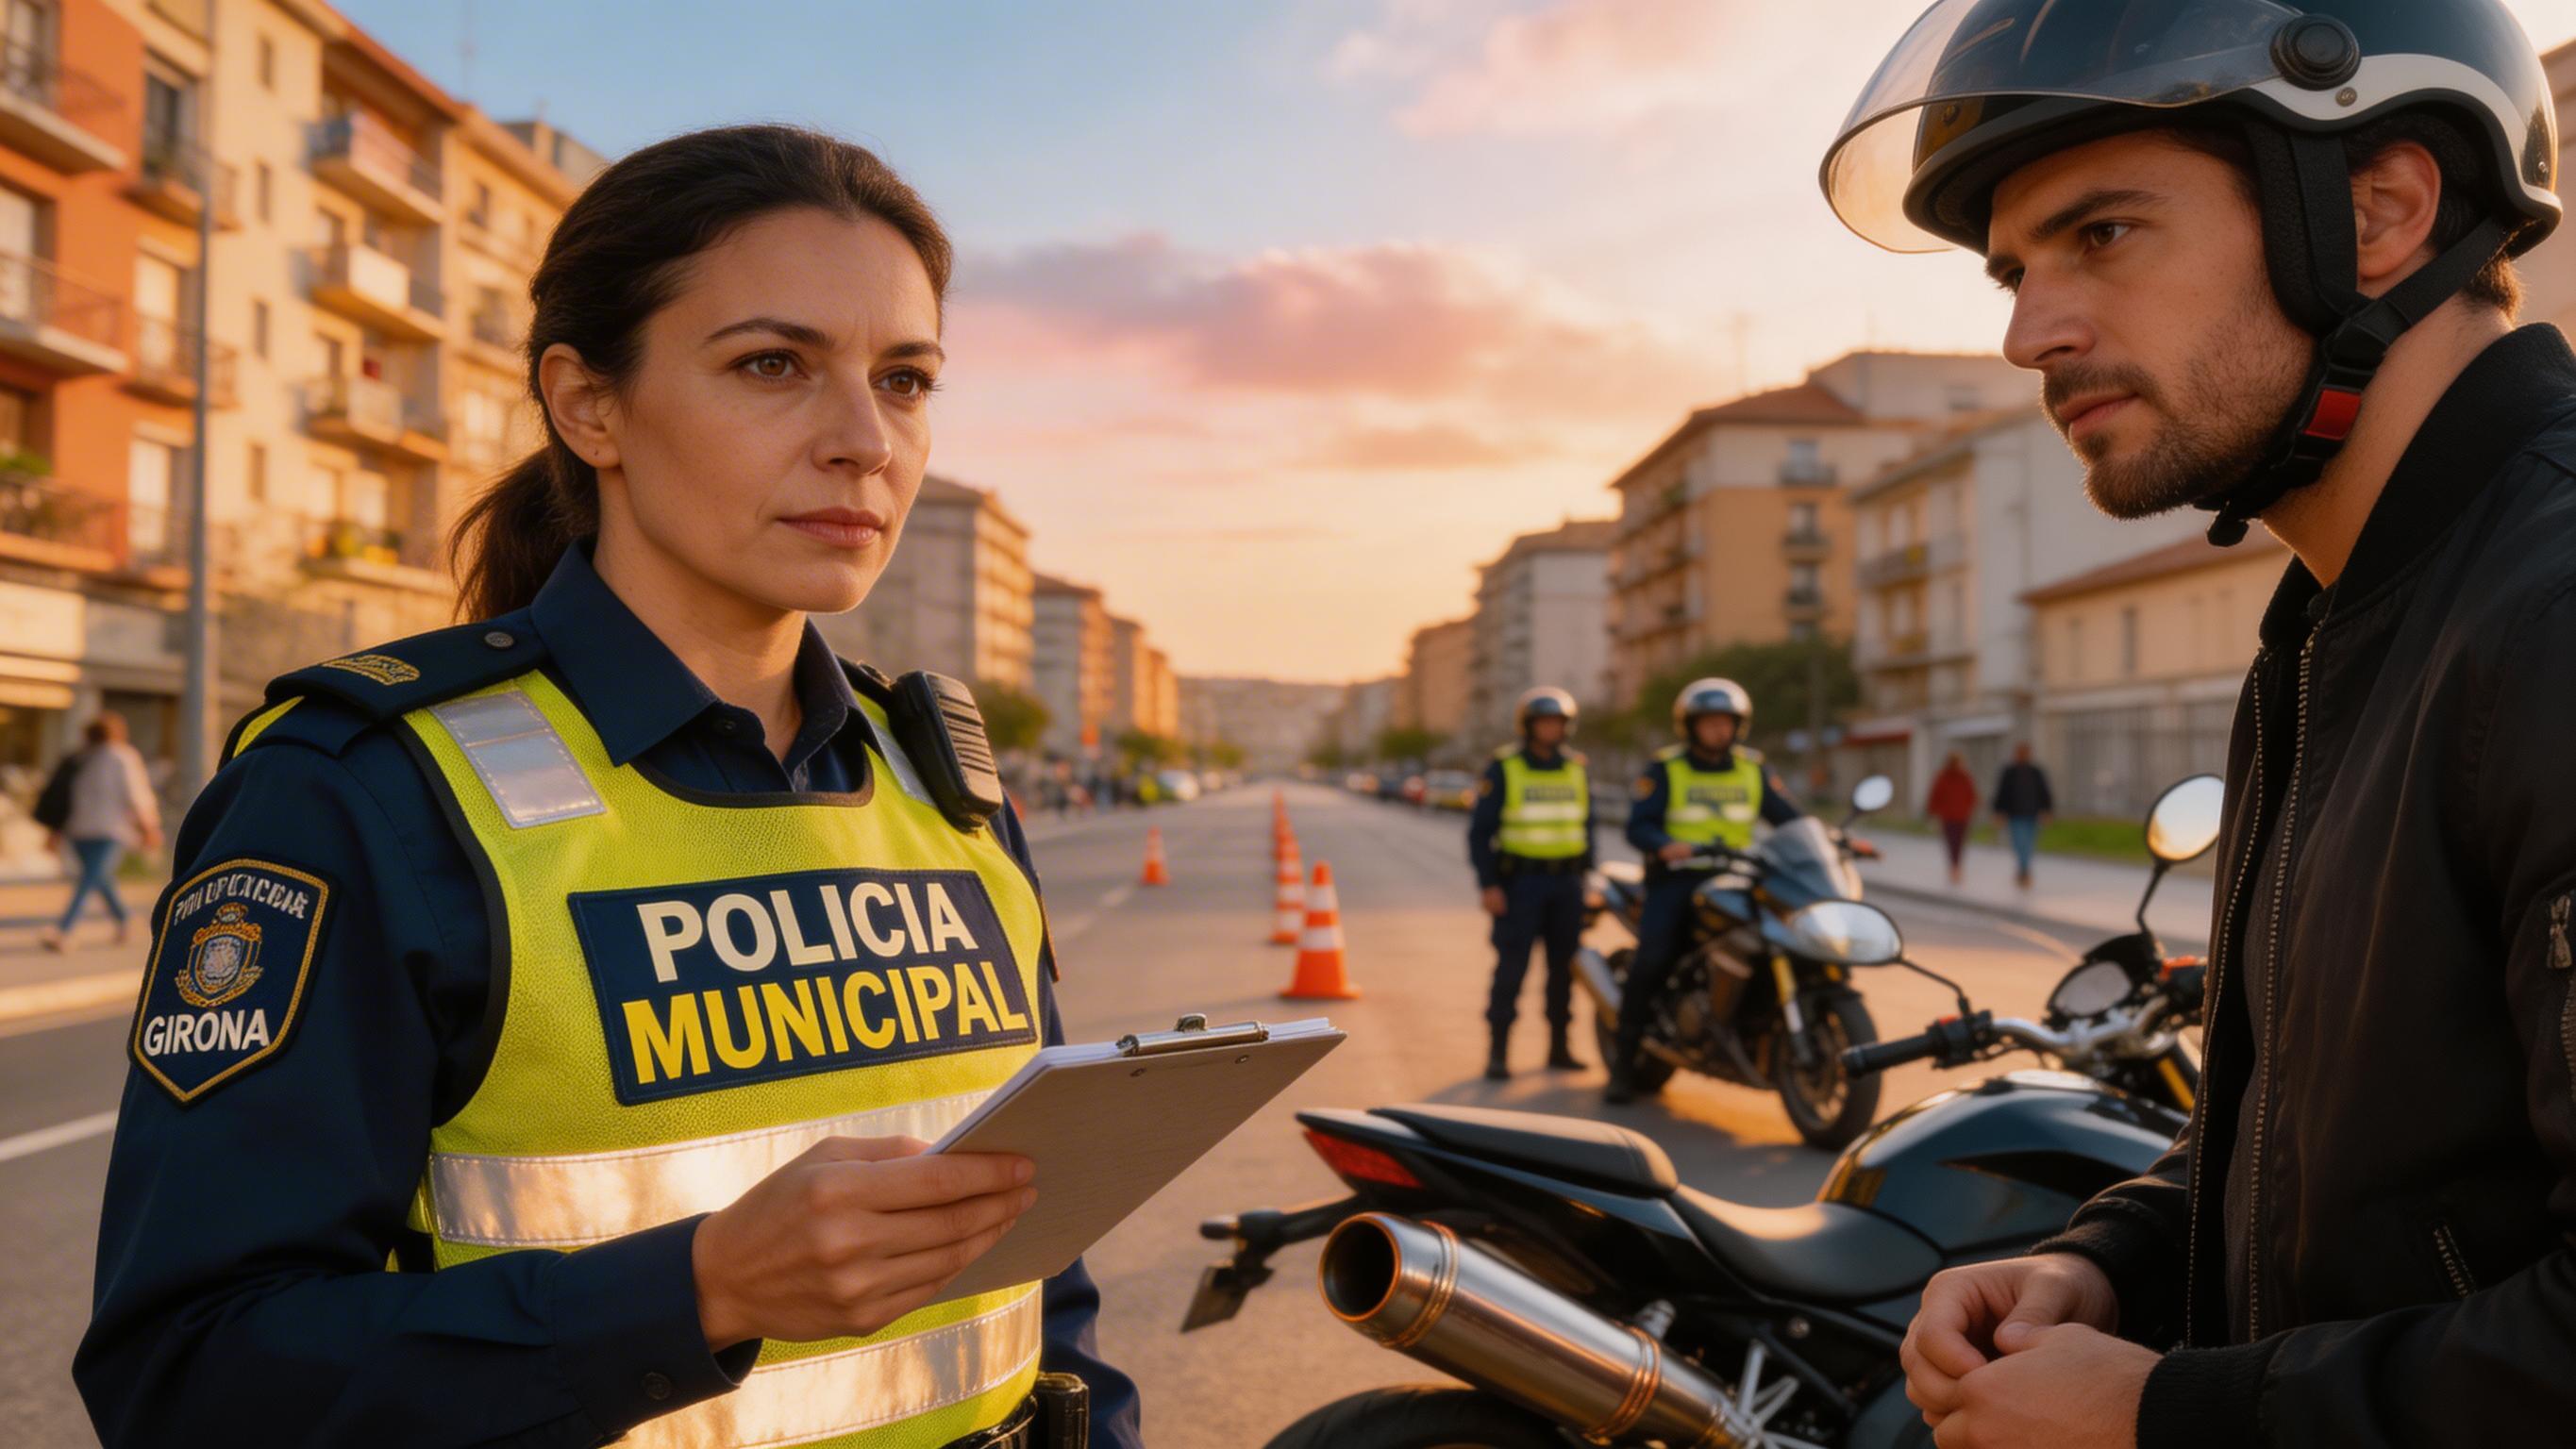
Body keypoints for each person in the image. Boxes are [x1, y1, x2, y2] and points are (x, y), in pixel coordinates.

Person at [75, 125, 1138, 1449]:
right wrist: (697, 1293)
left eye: (906, 380)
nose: (865, 440)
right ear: (587, 405)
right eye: (772, 365)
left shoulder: (943, 783)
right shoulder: (362, 795)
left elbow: (1045, 1277)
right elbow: (187, 1378)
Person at [1823, 2, 2576, 1445]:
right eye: (2012, 271)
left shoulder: (2545, 618)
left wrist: (2169, 1418)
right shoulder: (2336, 624)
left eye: (2099, 233)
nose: (2028, 332)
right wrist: (2104, 1262)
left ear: (2375, 209)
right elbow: (2335, 1137)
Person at [1606, 677, 1804, 1104]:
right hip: (1679, 879)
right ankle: (1623, 1063)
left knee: (1780, 935)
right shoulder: (1665, 768)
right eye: (1709, 723)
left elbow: (1789, 819)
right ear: (1690, 727)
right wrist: (1664, 846)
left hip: (1738, 876)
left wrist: (1833, 839)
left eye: (1725, 722)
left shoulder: (1753, 768)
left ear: (1739, 725)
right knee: (1654, 958)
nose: (1718, 730)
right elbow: (1638, 825)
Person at [1464, 686, 1593, 1080]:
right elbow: (1479, 833)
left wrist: (1588, 880)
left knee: (1563, 971)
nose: (1551, 729)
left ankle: (1559, 1048)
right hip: (1520, 885)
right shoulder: (1504, 767)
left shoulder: (1576, 767)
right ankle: (1498, 1052)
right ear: (1528, 726)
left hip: (1566, 885)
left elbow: (1587, 828)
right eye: (1543, 722)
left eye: (1557, 722)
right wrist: (1489, 885)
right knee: (1512, 970)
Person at [37, 712, 161, 951]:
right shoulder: (122, 757)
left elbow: (62, 799)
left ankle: (64, 930)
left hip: (85, 830)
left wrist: (54, 832)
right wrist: (149, 827)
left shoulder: (80, 758)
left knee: (89, 878)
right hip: (107, 829)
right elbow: (136, 794)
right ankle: (123, 919)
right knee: (97, 878)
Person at [1991, 742, 2053, 888]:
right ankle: (2023, 869)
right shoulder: (2009, 772)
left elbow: (2044, 792)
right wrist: (1998, 812)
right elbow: (2001, 793)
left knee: (2029, 843)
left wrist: (2047, 810)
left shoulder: (2036, 772)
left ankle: (2024, 870)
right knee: (2019, 843)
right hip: (2015, 814)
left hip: (2032, 813)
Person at [1927, 751, 1978, 886]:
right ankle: (1955, 867)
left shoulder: (1964, 777)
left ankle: (1955, 867)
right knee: (1952, 843)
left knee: (1957, 843)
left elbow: (1972, 795)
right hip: (1949, 816)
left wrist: (1969, 808)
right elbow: (1936, 795)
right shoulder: (1943, 777)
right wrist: (1933, 811)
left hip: (1959, 816)